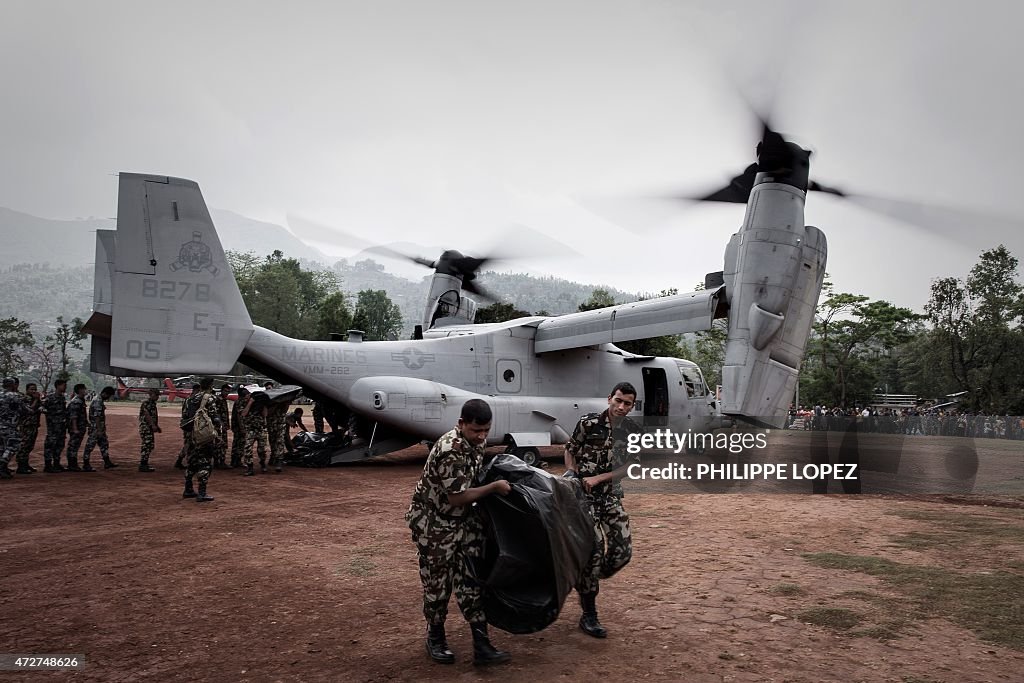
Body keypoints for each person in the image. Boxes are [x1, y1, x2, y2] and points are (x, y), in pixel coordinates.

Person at [405, 399, 512, 667]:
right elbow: (457, 497)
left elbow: (472, 480)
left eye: (486, 430)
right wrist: (494, 487)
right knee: (438, 583)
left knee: (472, 579)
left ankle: (482, 645)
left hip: (463, 521)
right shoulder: (449, 449)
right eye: (476, 430)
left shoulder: (476, 443)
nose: (482, 436)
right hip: (435, 523)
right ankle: (436, 637)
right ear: (462, 423)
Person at [563, 381, 642, 639]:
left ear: (632, 406)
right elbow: (569, 450)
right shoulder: (588, 423)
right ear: (609, 398)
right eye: (617, 400)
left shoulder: (633, 431)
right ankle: (589, 613)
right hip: (584, 500)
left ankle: (585, 574)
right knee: (594, 549)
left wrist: (599, 478)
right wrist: (572, 472)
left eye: (626, 403)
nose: (621, 406)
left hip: (610, 497)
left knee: (622, 552)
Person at [180, 376, 219, 502]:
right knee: (205, 463)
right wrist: (217, 433)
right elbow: (214, 418)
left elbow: (185, 416)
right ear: (210, 386)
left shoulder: (190, 399)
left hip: (192, 435)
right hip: (204, 436)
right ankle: (202, 492)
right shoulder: (210, 398)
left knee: (192, 462)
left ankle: (188, 489)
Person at [82, 386, 118, 471]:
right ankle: (86, 464)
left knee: (104, 444)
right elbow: (97, 417)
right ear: (105, 393)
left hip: (99, 427)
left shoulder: (99, 399)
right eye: (109, 396)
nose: (108, 398)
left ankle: (107, 462)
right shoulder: (98, 401)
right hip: (96, 428)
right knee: (90, 446)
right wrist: (99, 430)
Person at [0, 377, 30, 479]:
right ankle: (2, 465)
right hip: (10, 426)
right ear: (13, 385)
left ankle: (3, 469)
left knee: (1, 447)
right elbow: (26, 410)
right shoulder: (14, 396)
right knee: (13, 445)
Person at [15, 382, 43, 474]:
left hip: (33, 425)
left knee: (30, 445)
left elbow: (39, 410)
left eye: (35, 389)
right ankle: (21, 466)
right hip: (26, 425)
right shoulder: (24, 399)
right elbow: (30, 410)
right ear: (27, 390)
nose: (34, 391)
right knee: (24, 445)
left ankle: (25, 464)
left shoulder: (35, 399)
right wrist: (35, 400)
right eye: (31, 389)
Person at [42, 379, 69, 472]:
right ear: (57, 386)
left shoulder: (62, 397)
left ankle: (57, 463)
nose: (65, 387)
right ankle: (48, 465)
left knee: (60, 445)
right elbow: (41, 407)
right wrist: (50, 414)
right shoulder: (50, 397)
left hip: (61, 426)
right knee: (50, 445)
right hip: (52, 426)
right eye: (63, 385)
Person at [241, 390, 269, 475]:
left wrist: (263, 405)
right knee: (247, 448)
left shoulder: (259, 403)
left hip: (261, 429)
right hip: (250, 429)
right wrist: (250, 403)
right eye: (245, 396)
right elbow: (243, 414)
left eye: (248, 395)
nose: (247, 397)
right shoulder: (243, 403)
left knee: (262, 449)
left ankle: (263, 463)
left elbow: (265, 415)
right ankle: (250, 467)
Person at [64, 383, 89, 472]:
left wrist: (86, 423)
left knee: (75, 445)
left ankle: (73, 464)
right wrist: (75, 429)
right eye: (84, 388)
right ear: (80, 390)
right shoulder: (76, 401)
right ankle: (72, 464)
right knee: (73, 446)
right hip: (76, 428)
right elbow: (73, 416)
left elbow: (81, 415)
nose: (86, 390)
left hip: (80, 427)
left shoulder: (81, 400)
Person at [138, 388, 161, 472]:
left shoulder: (152, 403)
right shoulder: (146, 403)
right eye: (157, 395)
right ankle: (143, 464)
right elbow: (147, 414)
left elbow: (153, 416)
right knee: (147, 445)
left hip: (149, 427)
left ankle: (144, 463)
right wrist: (152, 425)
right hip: (146, 427)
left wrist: (156, 426)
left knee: (150, 445)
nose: (158, 397)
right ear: (152, 395)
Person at [229, 386, 248, 468]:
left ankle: (236, 461)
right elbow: (240, 416)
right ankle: (236, 461)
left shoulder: (238, 401)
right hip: (239, 427)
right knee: (239, 443)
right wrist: (243, 428)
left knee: (237, 443)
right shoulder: (241, 402)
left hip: (237, 427)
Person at [214, 385, 230, 468]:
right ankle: (220, 461)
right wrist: (221, 424)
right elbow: (216, 413)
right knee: (221, 443)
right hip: (219, 426)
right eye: (225, 391)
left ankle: (218, 461)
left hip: (222, 425)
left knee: (220, 443)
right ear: (221, 391)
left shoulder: (223, 400)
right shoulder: (219, 400)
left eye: (228, 391)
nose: (226, 393)